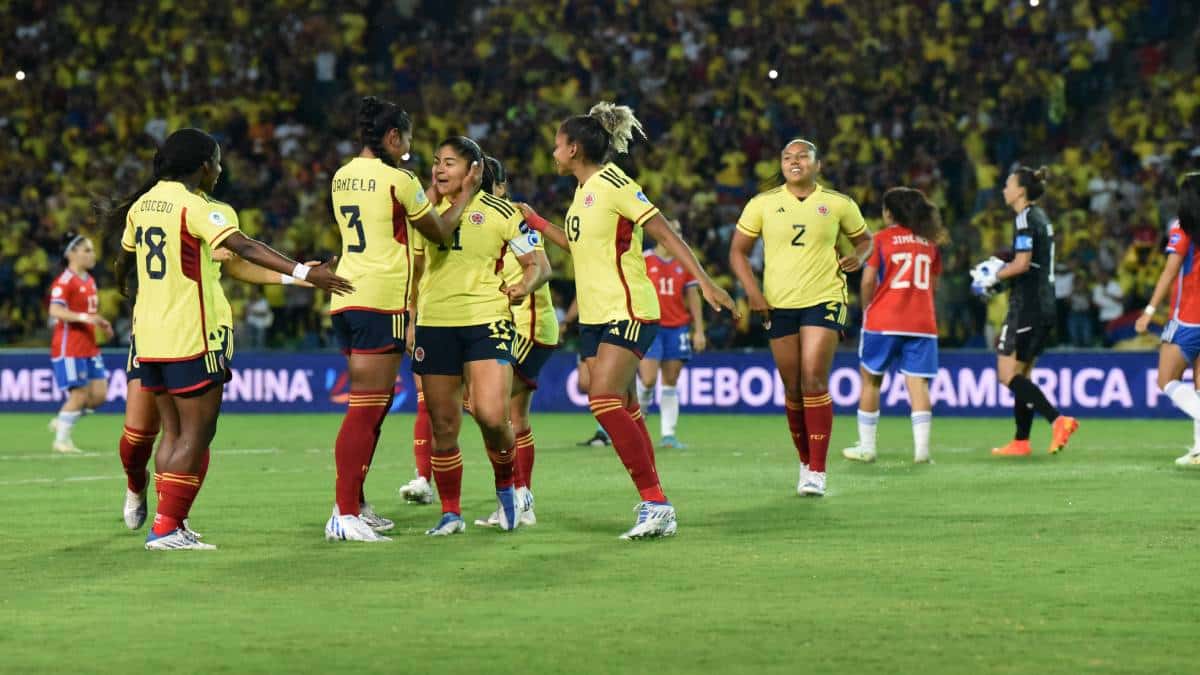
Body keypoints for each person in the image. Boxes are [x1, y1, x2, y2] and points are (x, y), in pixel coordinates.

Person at [110, 127, 351, 550]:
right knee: (195, 435)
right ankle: (166, 527)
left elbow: (123, 264)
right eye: (217, 162)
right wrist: (305, 271)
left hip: (148, 336)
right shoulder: (199, 208)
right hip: (193, 335)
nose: (220, 170)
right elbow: (247, 248)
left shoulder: (142, 206)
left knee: (172, 433)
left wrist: (137, 295)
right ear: (204, 165)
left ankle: (170, 523)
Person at [522, 102, 736, 539]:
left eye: (558, 145)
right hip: (597, 315)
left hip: (629, 307)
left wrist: (705, 281)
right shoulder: (581, 193)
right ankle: (656, 503)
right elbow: (579, 248)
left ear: (574, 148)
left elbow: (664, 232)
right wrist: (538, 223)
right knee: (624, 405)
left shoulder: (615, 182)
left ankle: (657, 504)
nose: (553, 152)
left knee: (603, 400)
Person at [324, 96, 473, 542]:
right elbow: (439, 232)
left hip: (345, 298)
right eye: (406, 140)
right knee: (365, 408)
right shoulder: (400, 180)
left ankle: (356, 504)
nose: (409, 149)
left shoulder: (341, 175)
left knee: (374, 407)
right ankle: (344, 512)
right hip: (380, 300)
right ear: (392, 137)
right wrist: (466, 194)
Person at [118, 247, 316, 532]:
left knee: (187, 431)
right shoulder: (145, 217)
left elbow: (237, 262)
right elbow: (129, 257)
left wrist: (292, 276)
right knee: (138, 434)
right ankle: (138, 484)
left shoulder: (215, 221)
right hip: (153, 324)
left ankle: (169, 520)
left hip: (204, 326)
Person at [412, 136, 548, 536]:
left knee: (491, 415)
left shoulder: (503, 211)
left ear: (473, 170)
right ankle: (450, 513)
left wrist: (525, 284)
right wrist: (411, 317)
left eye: (449, 162)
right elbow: (414, 270)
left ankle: (508, 491)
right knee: (443, 426)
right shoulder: (422, 211)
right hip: (436, 322)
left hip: (487, 320)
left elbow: (539, 264)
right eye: (436, 161)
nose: (439, 169)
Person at [729, 138, 873, 497]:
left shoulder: (838, 203)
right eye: (787, 157)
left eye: (803, 157)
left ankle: (818, 472)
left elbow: (866, 240)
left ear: (817, 165)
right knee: (792, 386)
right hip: (777, 303)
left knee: (813, 379)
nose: (794, 162)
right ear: (781, 165)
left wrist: (859, 257)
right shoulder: (762, 204)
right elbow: (737, 252)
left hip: (825, 297)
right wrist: (753, 292)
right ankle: (805, 462)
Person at [473, 155, 558, 528]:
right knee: (513, 416)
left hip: (527, 328)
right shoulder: (479, 220)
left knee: (486, 406)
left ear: (502, 187)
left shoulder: (513, 217)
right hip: (515, 327)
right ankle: (522, 501)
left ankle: (518, 495)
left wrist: (522, 287)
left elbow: (542, 267)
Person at [971, 166, 1079, 456]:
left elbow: (1021, 263)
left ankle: (1058, 420)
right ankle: (1021, 441)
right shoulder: (1040, 217)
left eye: (1008, 184)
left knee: (1006, 374)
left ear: (1020, 191)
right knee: (1022, 374)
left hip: (1027, 306)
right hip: (1045, 304)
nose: (1004, 189)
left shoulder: (1025, 218)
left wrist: (993, 277)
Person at [842, 187, 945, 464]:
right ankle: (922, 451)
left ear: (890, 213)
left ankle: (867, 448)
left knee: (871, 381)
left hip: (884, 320)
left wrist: (868, 309)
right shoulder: (930, 243)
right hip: (922, 322)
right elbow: (933, 286)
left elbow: (867, 281)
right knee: (918, 384)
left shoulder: (880, 239)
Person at [1135, 173, 1200, 465]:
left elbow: (1170, 271)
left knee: (1166, 380)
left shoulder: (1182, 227)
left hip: (1187, 317)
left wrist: (1149, 310)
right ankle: (1199, 451)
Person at [636, 218, 706, 448]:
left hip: (677, 327)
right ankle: (639, 417)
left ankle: (668, 435)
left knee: (671, 380)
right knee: (648, 379)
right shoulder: (644, 259)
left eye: (679, 231)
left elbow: (693, 298)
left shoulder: (685, 262)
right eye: (673, 231)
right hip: (650, 326)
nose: (677, 235)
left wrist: (699, 331)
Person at [47, 232, 114, 453]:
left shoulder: (90, 280)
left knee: (99, 396)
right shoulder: (65, 281)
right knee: (79, 395)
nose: (92, 254)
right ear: (71, 254)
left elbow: (89, 314)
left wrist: (101, 323)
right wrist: (85, 318)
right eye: (87, 250)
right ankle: (61, 441)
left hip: (89, 345)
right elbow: (55, 310)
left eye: (92, 250)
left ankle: (63, 418)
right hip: (70, 346)